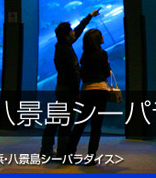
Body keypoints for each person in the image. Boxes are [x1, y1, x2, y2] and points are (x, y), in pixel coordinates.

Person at [40, 9, 100, 159]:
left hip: (62, 89)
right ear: (67, 35)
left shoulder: (61, 45)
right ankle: (62, 151)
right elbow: (72, 73)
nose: (74, 32)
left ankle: (47, 149)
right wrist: (76, 93)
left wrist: (89, 17)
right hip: (68, 92)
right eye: (71, 31)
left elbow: (78, 32)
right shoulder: (65, 50)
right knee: (65, 122)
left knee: (55, 119)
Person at [65, 29, 111, 166]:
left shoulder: (84, 56)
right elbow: (106, 73)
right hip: (100, 91)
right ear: (97, 39)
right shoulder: (102, 54)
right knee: (96, 126)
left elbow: (82, 74)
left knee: (80, 123)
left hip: (86, 91)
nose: (103, 36)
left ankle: (69, 154)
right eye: (100, 35)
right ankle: (91, 157)